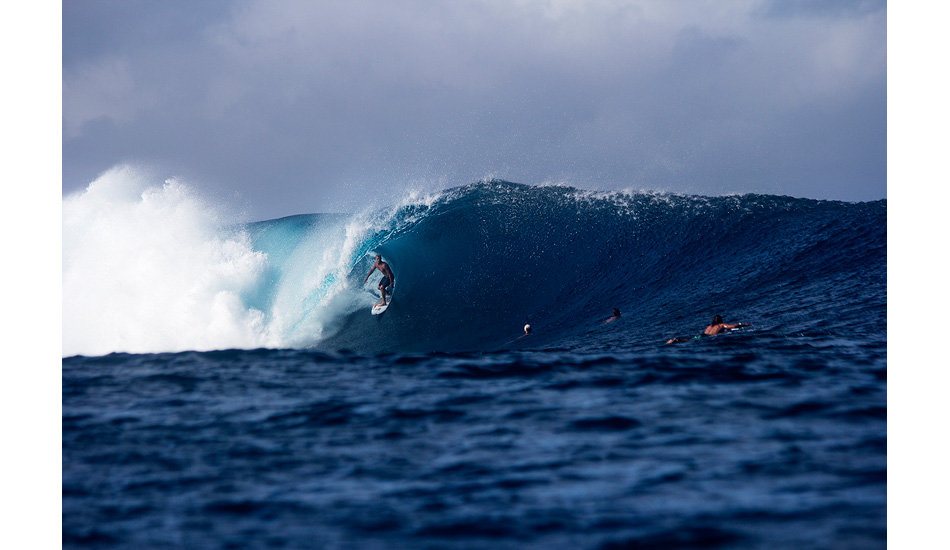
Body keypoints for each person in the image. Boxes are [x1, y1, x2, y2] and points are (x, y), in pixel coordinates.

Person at [665, 314, 749, 344]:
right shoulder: (722, 325)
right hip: (707, 337)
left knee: (690, 340)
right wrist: (743, 325)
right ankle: (676, 341)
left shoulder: (709, 326)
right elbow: (733, 326)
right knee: (691, 341)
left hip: (702, 335)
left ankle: (676, 340)